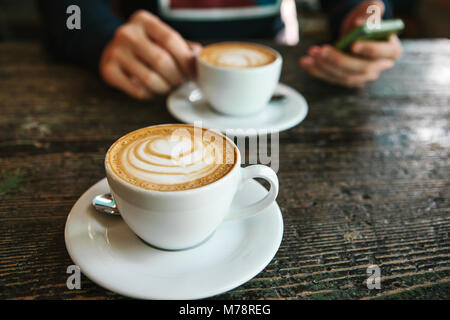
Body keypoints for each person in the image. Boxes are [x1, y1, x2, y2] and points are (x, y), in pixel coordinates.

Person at [39, 0, 402, 100]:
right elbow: (68, 10)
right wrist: (101, 37)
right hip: (148, 84)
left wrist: (366, 17)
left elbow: (362, 7)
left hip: (274, 75)